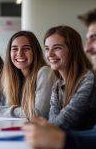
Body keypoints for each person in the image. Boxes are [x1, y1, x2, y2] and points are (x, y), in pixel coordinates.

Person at [23, 8, 96, 149]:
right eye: (47, 48)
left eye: (56, 48)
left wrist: (48, 130)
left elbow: (63, 124)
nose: (49, 54)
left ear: (73, 50)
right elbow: (53, 122)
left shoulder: (88, 79)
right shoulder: (57, 86)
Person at [0, 30, 55, 119]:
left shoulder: (45, 72)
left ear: (35, 52)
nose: (19, 53)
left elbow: (38, 114)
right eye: (15, 49)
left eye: (26, 48)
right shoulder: (14, 78)